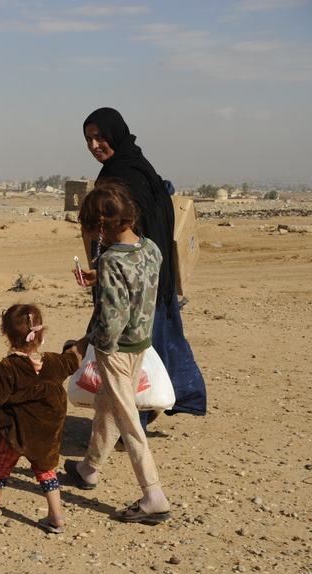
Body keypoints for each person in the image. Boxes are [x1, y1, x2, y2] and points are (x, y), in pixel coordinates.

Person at [81, 108, 207, 424]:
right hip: (154, 280)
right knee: (149, 357)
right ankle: (128, 428)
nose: (95, 145)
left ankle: (128, 430)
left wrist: (108, 274)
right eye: (88, 139)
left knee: (128, 359)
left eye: (100, 137)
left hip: (133, 287)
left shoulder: (123, 176)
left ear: (116, 134)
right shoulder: (138, 166)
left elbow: (124, 233)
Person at [63, 180, 172, 524]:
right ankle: (88, 469)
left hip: (116, 349)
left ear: (101, 227)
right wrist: (101, 281)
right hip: (141, 342)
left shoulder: (109, 260)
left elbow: (114, 316)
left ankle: (154, 495)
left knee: (127, 420)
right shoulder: (151, 248)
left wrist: (89, 345)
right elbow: (138, 286)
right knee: (107, 406)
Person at [0, 304, 84, 533]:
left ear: (5, 334)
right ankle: (56, 516)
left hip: (13, 431)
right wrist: (80, 344)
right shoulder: (55, 362)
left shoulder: (7, 368)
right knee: (46, 469)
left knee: (0, 466)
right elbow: (73, 361)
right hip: (46, 431)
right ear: (41, 333)